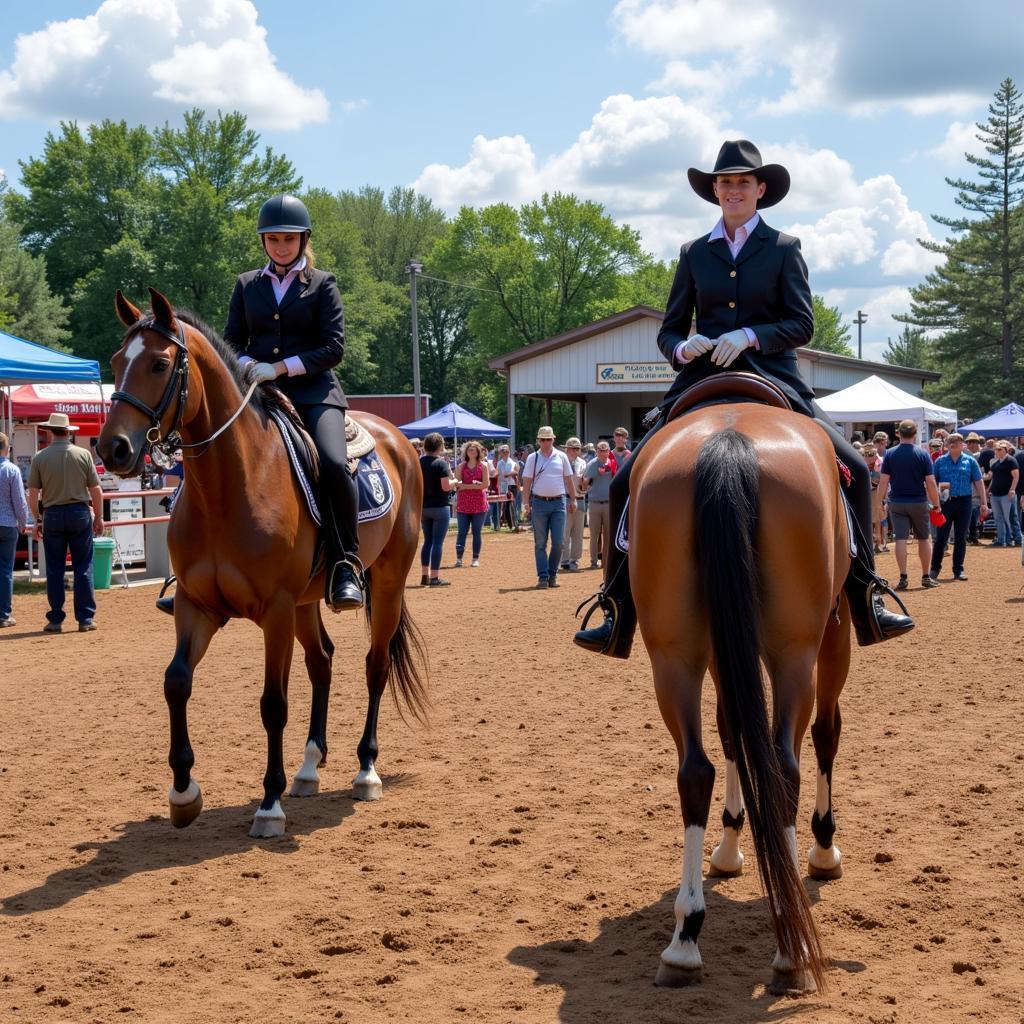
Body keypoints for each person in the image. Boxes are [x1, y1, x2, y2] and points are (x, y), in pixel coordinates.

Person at [575, 139, 912, 657]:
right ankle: (616, 608)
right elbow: (669, 330)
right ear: (714, 191)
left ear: (760, 190)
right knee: (625, 478)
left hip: (774, 374)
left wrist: (751, 336)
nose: (733, 189)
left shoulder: (783, 247)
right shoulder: (693, 253)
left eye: (742, 182)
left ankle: (867, 593)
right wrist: (684, 347)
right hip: (700, 377)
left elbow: (802, 322)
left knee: (857, 470)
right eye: (724, 182)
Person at [221, 194, 363, 612]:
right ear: (264, 242)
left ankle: (345, 564)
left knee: (334, 463)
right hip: (258, 393)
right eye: (274, 239)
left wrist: (280, 368)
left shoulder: (323, 284)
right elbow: (231, 341)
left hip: (315, 393)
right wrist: (248, 364)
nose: (281, 246)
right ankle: (194, 564)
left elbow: (334, 348)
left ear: (303, 240)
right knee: (215, 450)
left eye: (289, 239)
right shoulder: (247, 284)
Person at [26, 413, 104, 632]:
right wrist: (98, 517)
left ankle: (56, 619)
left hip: (52, 515)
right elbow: (96, 490)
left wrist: (37, 519)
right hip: (79, 512)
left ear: (50, 431)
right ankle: (85, 618)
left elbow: (33, 494)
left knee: (55, 569)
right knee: (83, 567)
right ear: (69, 431)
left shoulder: (40, 457)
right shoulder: (83, 455)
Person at [877, 419, 941, 591]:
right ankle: (926, 576)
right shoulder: (923, 454)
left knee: (900, 539)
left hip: (897, 501)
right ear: (915, 433)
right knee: (924, 538)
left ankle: (903, 576)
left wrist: (880, 502)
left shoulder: (890, 454)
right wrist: (936, 504)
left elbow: (883, 482)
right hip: (918, 501)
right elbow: (930, 482)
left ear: (898, 433)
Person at [521, 425, 576, 588]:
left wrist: (573, 499)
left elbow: (568, 479)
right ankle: (543, 577)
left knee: (559, 542)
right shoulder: (532, 458)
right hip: (538, 503)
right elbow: (527, 481)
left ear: (553, 439)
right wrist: (525, 503)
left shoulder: (562, 456)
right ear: (538, 441)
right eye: (543, 439)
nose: (545, 442)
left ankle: (552, 574)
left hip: (559, 502)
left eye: (548, 439)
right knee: (540, 543)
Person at [930, 433, 987, 581]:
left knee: (961, 537)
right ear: (947, 444)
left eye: (957, 441)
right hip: (945, 502)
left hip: (964, 502)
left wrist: (984, 502)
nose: (953, 443)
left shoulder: (970, 461)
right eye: (950, 441)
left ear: (962, 444)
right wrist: (933, 501)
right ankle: (935, 568)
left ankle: (958, 569)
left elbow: (979, 482)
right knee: (941, 537)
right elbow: (932, 481)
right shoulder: (940, 461)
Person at [419, 432, 458, 586]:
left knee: (427, 541)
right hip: (440, 507)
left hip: (424, 507)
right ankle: (434, 577)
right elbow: (445, 487)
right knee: (437, 543)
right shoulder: (441, 463)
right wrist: (454, 481)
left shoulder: (419, 462)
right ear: (440, 446)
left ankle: (424, 575)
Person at [1, 431, 30, 628]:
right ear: (7, 448)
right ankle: (3, 614)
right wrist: (23, 522)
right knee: (5, 571)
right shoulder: (12, 470)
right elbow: (19, 502)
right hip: (7, 524)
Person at [454, 441, 490, 567]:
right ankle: (459, 558)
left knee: (477, 532)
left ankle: (475, 558)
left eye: (474, 450)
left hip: (479, 503)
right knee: (462, 531)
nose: (471, 451)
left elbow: (485, 485)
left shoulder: (484, 466)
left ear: (478, 452)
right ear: (466, 452)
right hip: (463, 503)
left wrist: (466, 486)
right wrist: (474, 486)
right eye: (469, 449)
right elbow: (457, 484)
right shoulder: (460, 466)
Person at [581, 440, 614, 569]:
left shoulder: (612, 464)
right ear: (597, 451)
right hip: (594, 503)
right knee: (594, 534)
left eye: (605, 450)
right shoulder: (591, 464)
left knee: (608, 534)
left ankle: (606, 561)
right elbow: (585, 482)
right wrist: (585, 482)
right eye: (600, 450)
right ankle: (594, 561)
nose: (603, 453)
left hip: (608, 503)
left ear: (608, 451)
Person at [560, 438, 587, 572]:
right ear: (567, 449)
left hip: (580, 499)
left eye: (578, 449)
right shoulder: (561, 463)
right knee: (565, 532)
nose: (575, 451)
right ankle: (564, 560)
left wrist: (584, 487)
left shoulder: (583, 463)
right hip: (564, 499)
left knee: (578, 532)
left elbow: (587, 483)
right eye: (573, 448)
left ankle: (574, 559)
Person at [987, 441, 1020, 547]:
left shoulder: (1011, 460)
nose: (997, 451)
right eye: (996, 449)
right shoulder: (995, 463)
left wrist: (1012, 489)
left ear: (1006, 450)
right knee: (999, 518)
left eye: (1000, 449)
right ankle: (1002, 540)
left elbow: (1016, 476)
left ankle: (1016, 539)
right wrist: (988, 489)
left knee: (1010, 517)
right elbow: (992, 478)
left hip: (1007, 494)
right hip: (995, 494)